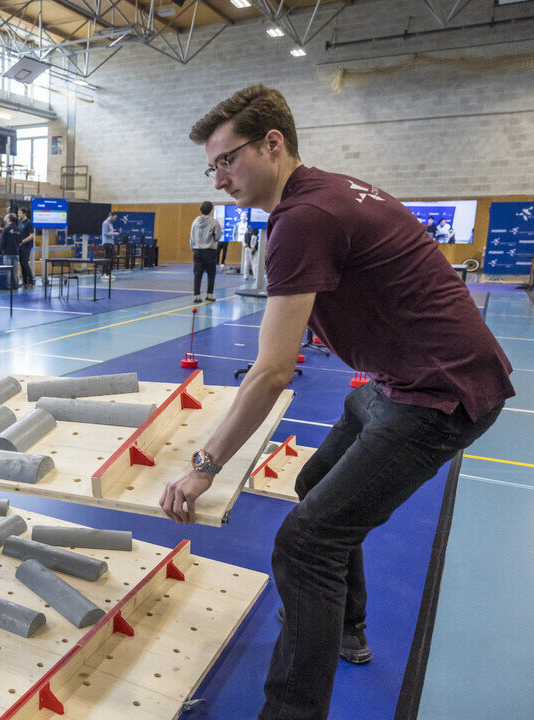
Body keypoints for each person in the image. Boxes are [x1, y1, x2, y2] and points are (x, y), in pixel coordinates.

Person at [164, 84, 513, 720]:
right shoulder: (327, 193)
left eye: (226, 161)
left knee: (306, 544)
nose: (218, 180)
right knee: (317, 481)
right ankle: (345, 627)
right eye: (210, 166)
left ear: (273, 144)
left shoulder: (306, 217)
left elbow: (271, 372)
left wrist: (204, 465)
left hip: (438, 395)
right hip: (397, 382)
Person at [190, 200, 222, 302]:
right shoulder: (214, 222)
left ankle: (197, 296)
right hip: (209, 251)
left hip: (197, 251)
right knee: (211, 273)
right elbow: (217, 237)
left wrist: (194, 249)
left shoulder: (195, 222)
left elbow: (191, 237)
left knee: (197, 274)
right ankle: (209, 294)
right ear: (211, 210)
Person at [0, 213, 20, 290]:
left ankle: (8, 286)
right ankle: (16, 285)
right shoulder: (18, 229)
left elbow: (2, 241)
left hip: (8, 252)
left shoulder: (6, 229)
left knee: (8, 270)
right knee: (15, 270)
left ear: (9, 220)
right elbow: (20, 241)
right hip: (16, 252)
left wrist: (0, 251)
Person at [18, 207, 35, 288]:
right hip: (20, 246)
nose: (19, 214)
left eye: (20, 213)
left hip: (26, 246)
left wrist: (23, 241)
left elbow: (32, 235)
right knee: (21, 263)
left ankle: (31, 281)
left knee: (25, 263)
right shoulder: (20, 222)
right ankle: (25, 281)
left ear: (24, 213)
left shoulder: (29, 223)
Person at [100, 211, 118, 278]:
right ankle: (104, 273)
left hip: (111, 242)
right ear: (111, 216)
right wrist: (114, 233)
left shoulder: (111, 224)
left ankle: (108, 273)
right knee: (106, 258)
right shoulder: (105, 223)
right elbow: (105, 233)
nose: (114, 219)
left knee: (111, 259)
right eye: (114, 217)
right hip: (106, 243)